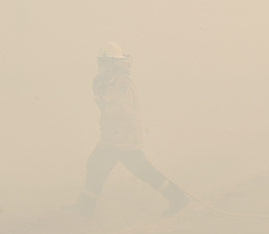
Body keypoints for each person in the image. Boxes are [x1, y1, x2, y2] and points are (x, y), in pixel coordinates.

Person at [74, 41, 189, 217]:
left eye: (104, 61)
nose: (100, 65)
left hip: (123, 139)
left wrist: (103, 102)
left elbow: (122, 110)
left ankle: (178, 198)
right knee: (97, 165)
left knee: (140, 170)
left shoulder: (121, 83)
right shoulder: (109, 80)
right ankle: (84, 208)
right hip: (113, 137)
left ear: (112, 63)